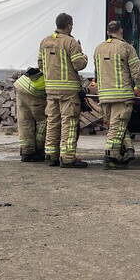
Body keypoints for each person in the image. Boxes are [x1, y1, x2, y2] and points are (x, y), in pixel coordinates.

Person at [93, 20, 140, 169]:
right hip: (122, 96)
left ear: (107, 32)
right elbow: (137, 73)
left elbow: (97, 73)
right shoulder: (127, 48)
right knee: (117, 128)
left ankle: (128, 150)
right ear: (121, 31)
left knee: (115, 127)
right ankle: (111, 157)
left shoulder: (98, 48)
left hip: (104, 96)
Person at [39, 12, 89, 168]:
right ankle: (67, 158)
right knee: (69, 123)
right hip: (68, 92)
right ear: (69, 25)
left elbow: (41, 64)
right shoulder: (71, 43)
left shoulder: (45, 42)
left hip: (51, 89)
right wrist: (83, 55)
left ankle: (51, 155)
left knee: (53, 121)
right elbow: (79, 64)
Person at [13, 68, 46, 162]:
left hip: (21, 85)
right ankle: (39, 150)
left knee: (25, 121)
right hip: (36, 90)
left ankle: (26, 151)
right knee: (43, 122)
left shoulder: (47, 57)